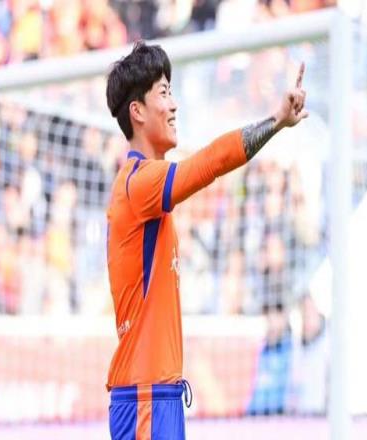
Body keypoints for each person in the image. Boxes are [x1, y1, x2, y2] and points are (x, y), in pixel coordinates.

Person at [105, 41, 308, 439]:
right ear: (138, 111)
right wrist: (275, 121)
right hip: (146, 396)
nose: (174, 104)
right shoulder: (139, 183)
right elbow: (209, 163)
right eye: (164, 92)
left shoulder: (145, 186)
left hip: (156, 395)